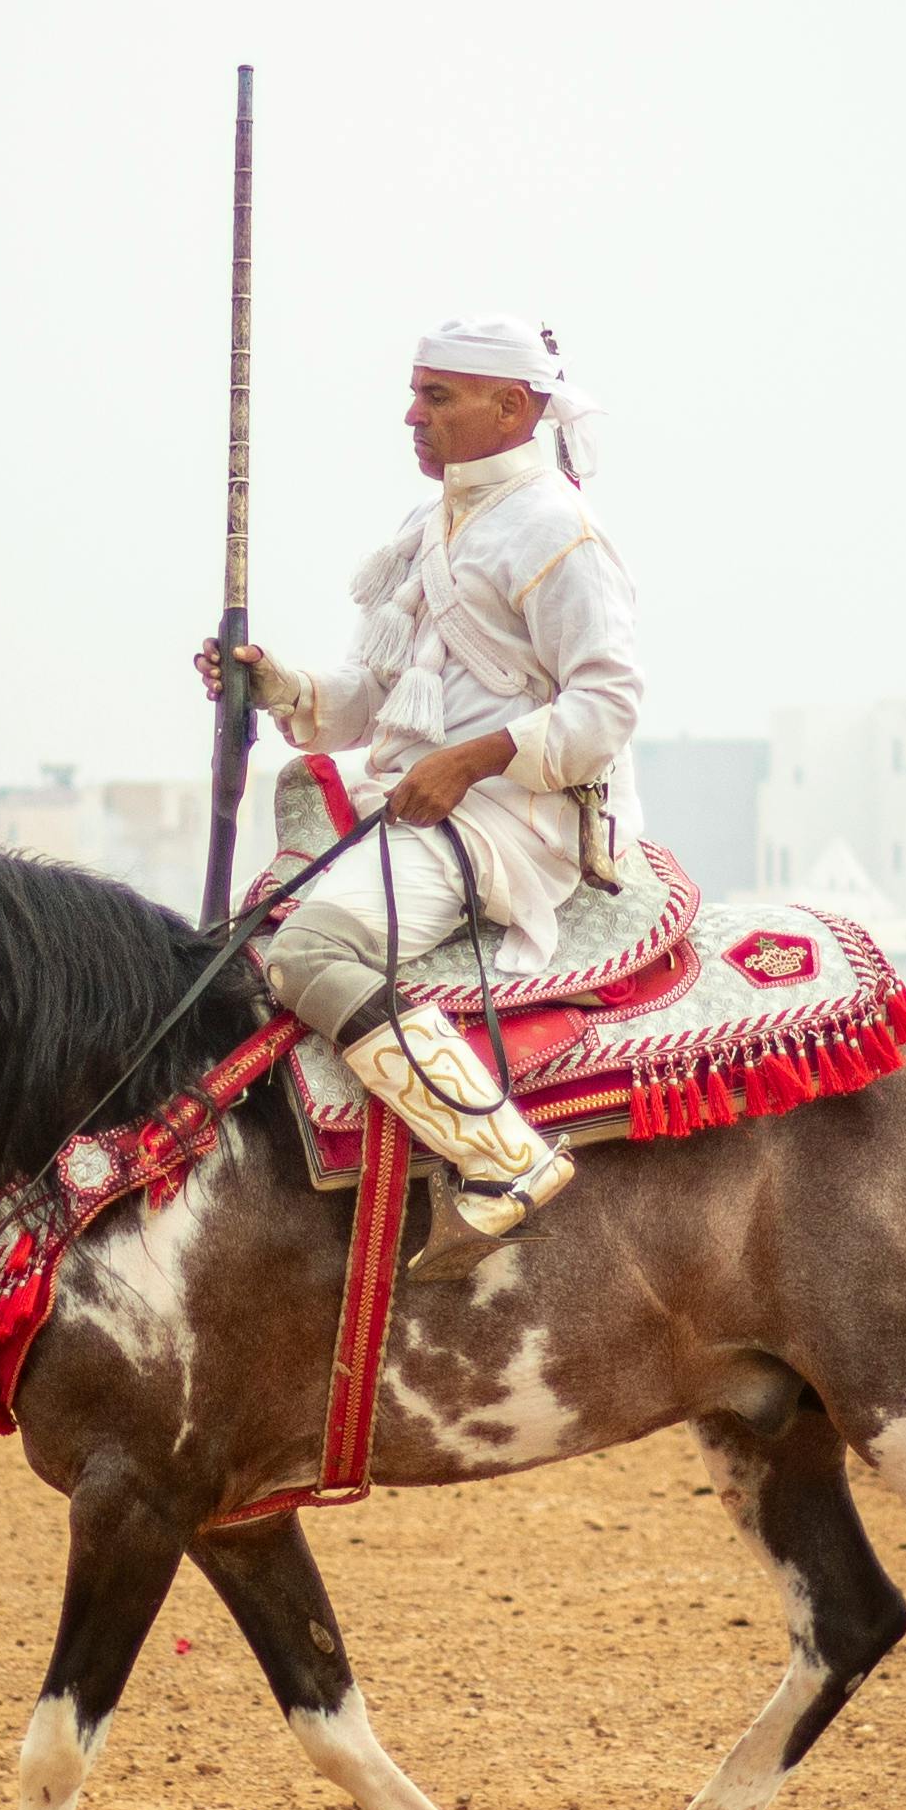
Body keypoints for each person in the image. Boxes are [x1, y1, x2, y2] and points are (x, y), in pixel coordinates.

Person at [197, 315, 642, 1277]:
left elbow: (607, 707)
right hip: (416, 798)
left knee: (314, 952)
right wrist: (276, 684)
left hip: (513, 820)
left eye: (436, 395)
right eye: (416, 391)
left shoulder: (562, 532)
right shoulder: (425, 527)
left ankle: (504, 1158)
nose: (412, 414)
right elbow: (374, 697)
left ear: (511, 405)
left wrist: (471, 759)